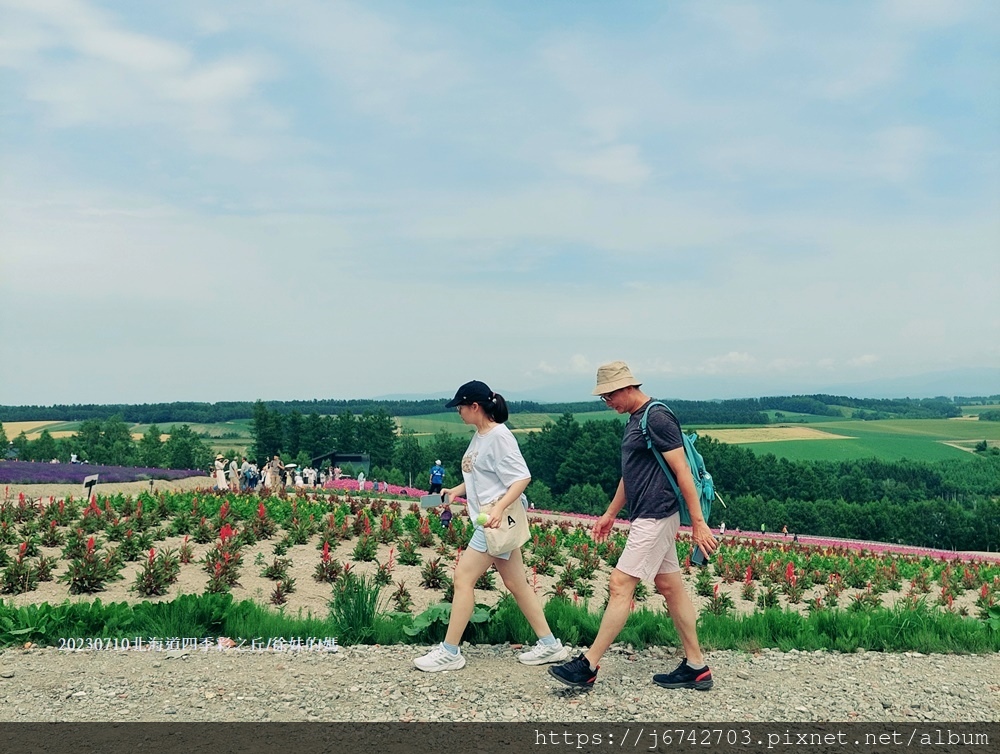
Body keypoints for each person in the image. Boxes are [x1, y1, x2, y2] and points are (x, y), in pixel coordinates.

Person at [550, 361, 718, 691]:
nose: (607, 402)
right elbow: (632, 474)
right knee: (670, 587)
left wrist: (698, 524)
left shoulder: (657, 416)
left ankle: (588, 665)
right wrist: (611, 513)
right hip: (646, 515)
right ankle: (697, 667)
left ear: (629, 387)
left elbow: (682, 470)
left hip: (657, 514)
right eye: (603, 397)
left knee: (620, 584)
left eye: (610, 395)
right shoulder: (634, 420)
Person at [414, 380, 569, 672]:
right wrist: (456, 491)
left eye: (461, 406)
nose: (458, 411)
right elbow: (481, 477)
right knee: (516, 583)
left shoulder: (498, 436)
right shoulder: (481, 435)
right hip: (492, 519)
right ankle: (550, 645)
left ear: (475, 407)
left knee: (463, 578)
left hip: (494, 521)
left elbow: (521, 478)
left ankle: (450, 651)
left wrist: (497, 508)